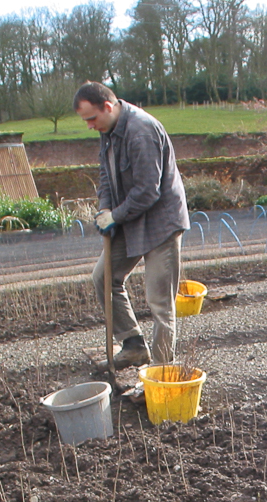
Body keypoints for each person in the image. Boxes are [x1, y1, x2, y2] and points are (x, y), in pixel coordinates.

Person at [74, 82, 189, 369]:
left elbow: (148, 191)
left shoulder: (141, 130)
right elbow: (105, 175)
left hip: (160, 223)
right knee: (103, 277)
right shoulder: (108, 131)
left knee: (159, 301)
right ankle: (134, 345)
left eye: (91, 118)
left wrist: (116, 216)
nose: (89, 126)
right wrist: (104, 209)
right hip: (130, 218)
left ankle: (161, 371)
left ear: (108, 107)